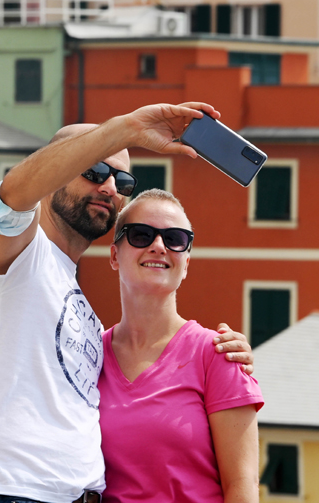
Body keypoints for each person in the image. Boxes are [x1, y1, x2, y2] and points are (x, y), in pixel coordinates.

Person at [0, 103, 254, 503]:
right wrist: (126, 129)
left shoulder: (86, 315)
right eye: (94, 170)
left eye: (122, 180)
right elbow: (8, 199)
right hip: (14, 493)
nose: (110, 187)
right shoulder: (22, 253)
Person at [100, 188, 262, 503]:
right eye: (141, 234)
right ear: (114, 256)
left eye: (175, 238)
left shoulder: (219, 355)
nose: (158, 246)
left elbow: (242, 486)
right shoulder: (88, 357)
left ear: (185, 262)